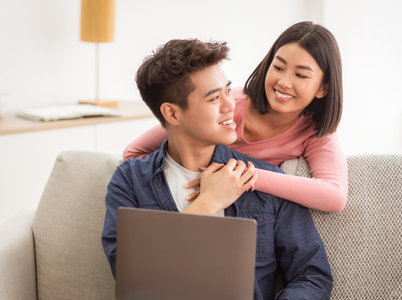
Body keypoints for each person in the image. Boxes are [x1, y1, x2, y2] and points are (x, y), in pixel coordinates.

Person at [102, 39, 333, 299]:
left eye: (227, 91)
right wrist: (207, 203)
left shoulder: (265, 182)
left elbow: (312, 277)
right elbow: (134, 281)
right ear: (173, 114)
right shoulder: (129, 181)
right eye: (214, 98)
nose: (230, 105)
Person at [122, 21, 348, 213]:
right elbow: (133, 153)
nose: (283, 82)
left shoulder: (316, 131)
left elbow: (335, 196)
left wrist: (240, 176)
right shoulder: (228, 106)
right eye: (278, 67)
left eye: (300, 75)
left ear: (323, 88)